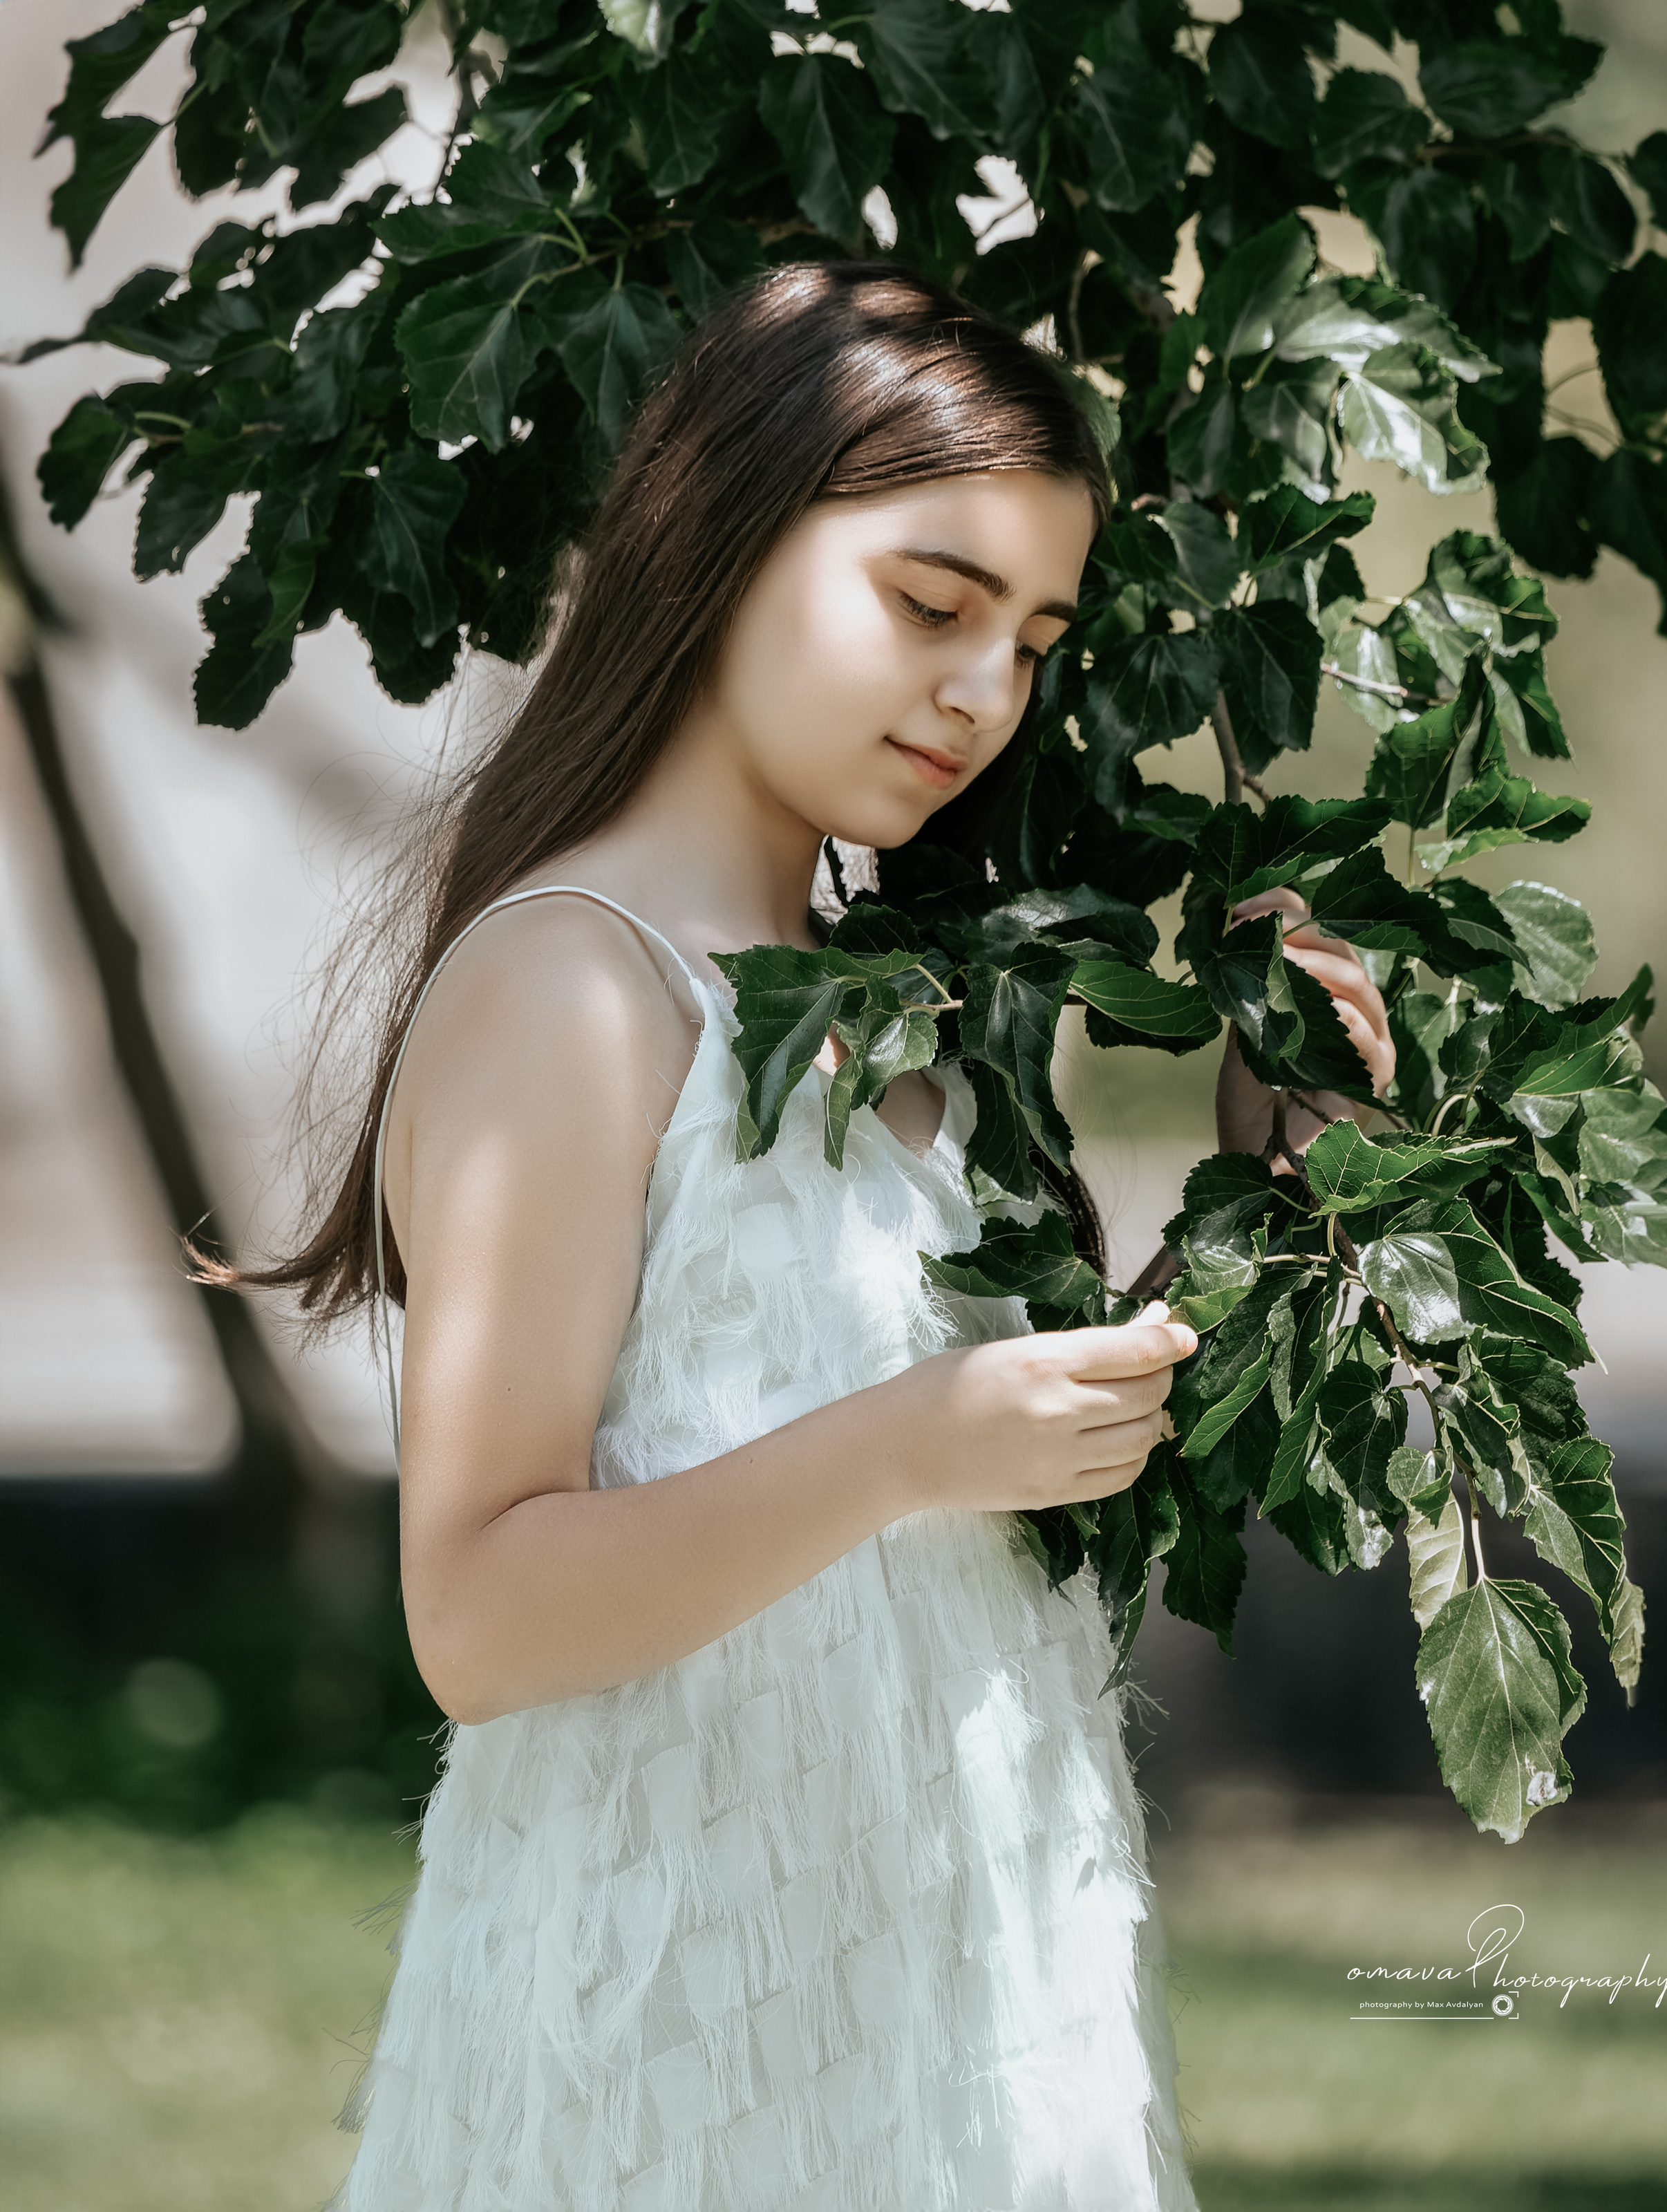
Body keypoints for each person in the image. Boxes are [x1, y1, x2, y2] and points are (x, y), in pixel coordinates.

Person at [240, 259, 1393, 2212]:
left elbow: (976, 1499)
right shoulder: (578, 992)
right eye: (930, 603)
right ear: (721, 540)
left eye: (1031, 640)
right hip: (677, 2028)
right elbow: (480, 1614)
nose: (982, 689)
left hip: (966, 1978)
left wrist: (1278, 1196)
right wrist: (917, 1444)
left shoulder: (890, 998)